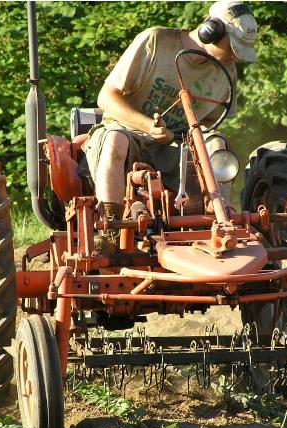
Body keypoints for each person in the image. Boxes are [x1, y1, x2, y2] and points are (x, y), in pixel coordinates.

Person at [83, 0, 258, 248]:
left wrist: (199, 139)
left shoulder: (225, 71)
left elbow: (210, 122)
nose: (235, 56)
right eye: (233, 47)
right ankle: (111, 231)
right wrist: (148, 126)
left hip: (179, 145)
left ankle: (219, 219)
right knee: (115, 140)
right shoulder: (155, 42)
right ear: (212, 30)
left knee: (217, 142)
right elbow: (106, 97)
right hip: (127, 132)